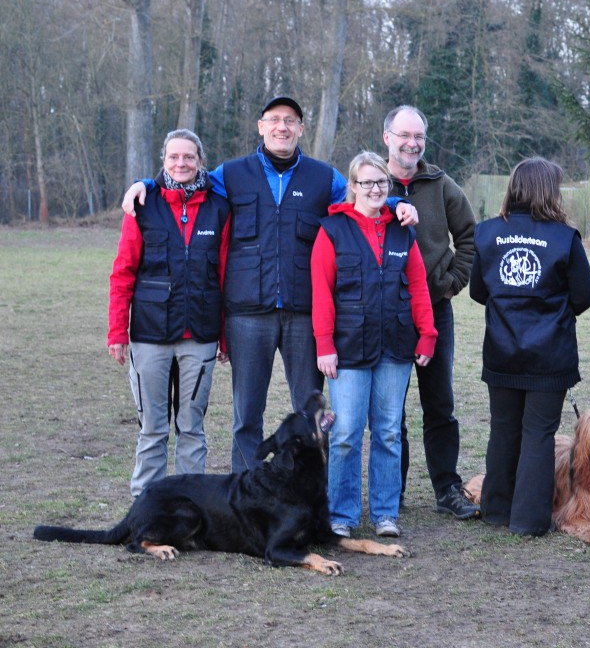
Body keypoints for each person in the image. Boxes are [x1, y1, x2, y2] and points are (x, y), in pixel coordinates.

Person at [121, 97, 416, 472]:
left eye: (290, 120)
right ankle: (246, 496)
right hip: (247, 315)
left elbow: (363, 195)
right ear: (260, 126)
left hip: (304, 315)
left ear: (301, 129)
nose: (282, 126)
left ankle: (309, 495)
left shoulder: (323, 178)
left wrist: (395, 204)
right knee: (247, 416)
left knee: (309, 414)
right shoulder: (230, 175)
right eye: (274, 120)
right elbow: (182, 182)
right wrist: (142, 183)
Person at [311, 151, 437, 539]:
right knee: (346, 432)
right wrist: (324, 345)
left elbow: (417, 286)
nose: (374, 189)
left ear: (389, 185)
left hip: (395, 346)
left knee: (387, 432)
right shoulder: (332, 230)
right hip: (348, 348)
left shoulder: (403, 230)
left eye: (381, 182)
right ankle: (342, 515)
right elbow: (322, 292)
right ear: (352, 187)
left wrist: (427, 335)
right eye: (366, 183)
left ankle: (385, 513)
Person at [469, 157, 590, 536]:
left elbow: (479, 291)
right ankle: (527, 521)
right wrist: (550, 312)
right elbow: (584, 295)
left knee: (504, 430)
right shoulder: (563, 237)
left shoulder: (488, 232)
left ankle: (495, 509)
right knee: (538, 434)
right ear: (549, 191)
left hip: (502, 350)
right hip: (549, 355)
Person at [108, 129, 231, 496]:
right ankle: (146, 506)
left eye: (189, 157)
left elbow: (224, 276)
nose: (181, 163)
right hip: (150, 337)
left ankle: (192, 507)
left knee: (192, 426)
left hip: (200, 337)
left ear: (200, 160)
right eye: (174, 157)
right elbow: (122, 271)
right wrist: (117, 332)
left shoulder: (219, 207)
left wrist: (224, 336)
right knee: (153, 428)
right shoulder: (142, 205)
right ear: (163, 160)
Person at [382, 105, 480, 519]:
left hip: (434, 310)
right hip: (384, 312)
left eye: (419, 136)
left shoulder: (441, 185)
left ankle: (447, 488)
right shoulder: (368, 180)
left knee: (439, 404)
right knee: (390, 410)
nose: (412, 143)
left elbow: (471, 237)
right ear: (386, 137)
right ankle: (394, 491)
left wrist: (452, 282)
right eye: (404, 135)